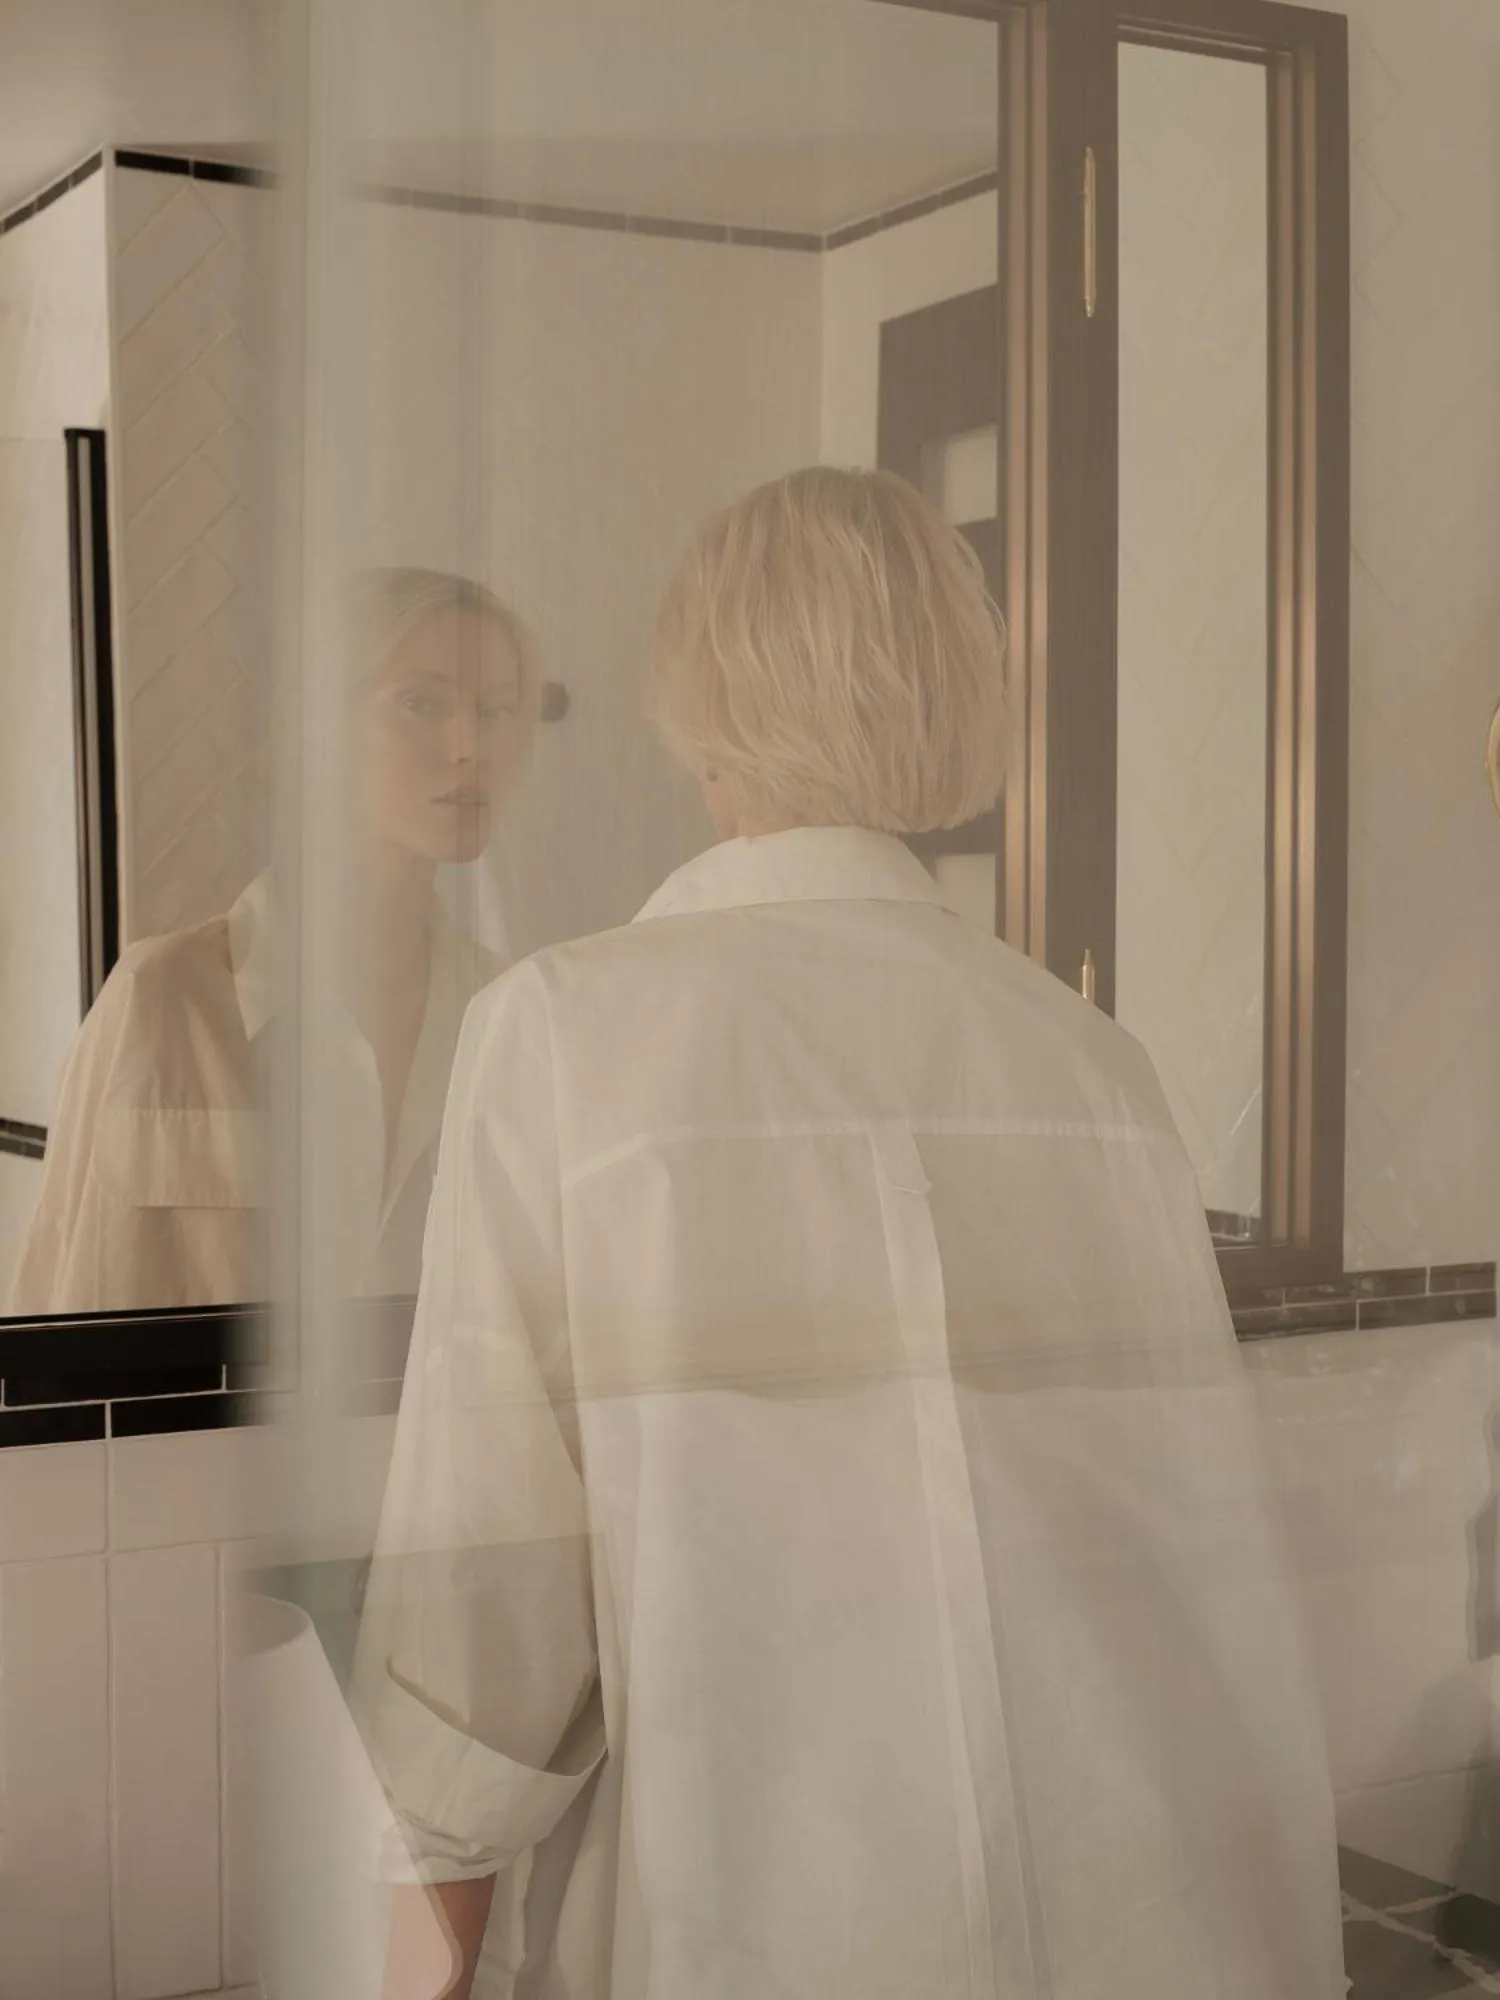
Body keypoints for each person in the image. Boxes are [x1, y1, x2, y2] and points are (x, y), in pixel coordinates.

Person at [352, 469, 1345, 2000]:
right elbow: (1192, 1567)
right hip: (1144, 1917)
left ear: (698, 703)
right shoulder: (1093, 1067)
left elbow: (485, 1621)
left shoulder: (565, 1032)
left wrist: (411, 1971)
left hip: (763, 1929)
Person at [9, 568, 538, 1315]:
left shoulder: (506, 1012)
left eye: (495, 712)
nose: (468, 747)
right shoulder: (165, 998)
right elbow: (60, 1306)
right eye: (423, 704)